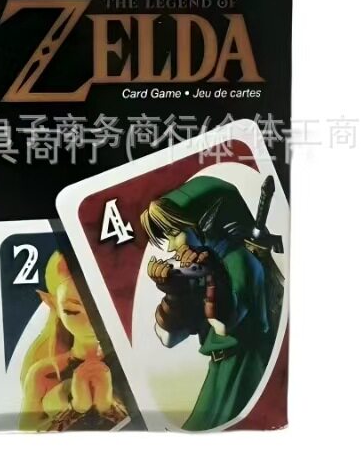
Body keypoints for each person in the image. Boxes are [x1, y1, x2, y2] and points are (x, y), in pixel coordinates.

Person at [141, 175, 283, 430]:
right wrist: (174, 295)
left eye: (175, 233)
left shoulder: (240, 260)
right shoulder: (201, 267)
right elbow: (168, 338)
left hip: (247, 370)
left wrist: (212, 277)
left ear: (204, 223)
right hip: (221, 372)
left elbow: (224, 326)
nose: (171, 247)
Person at [19, 251, 128, 431]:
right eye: (73, 311)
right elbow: (25, 435)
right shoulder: (43, 374)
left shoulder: (132, 365)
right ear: (52, 303)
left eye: (102, 307)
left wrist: (108, 407)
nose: (92, 322)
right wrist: (75, 408)